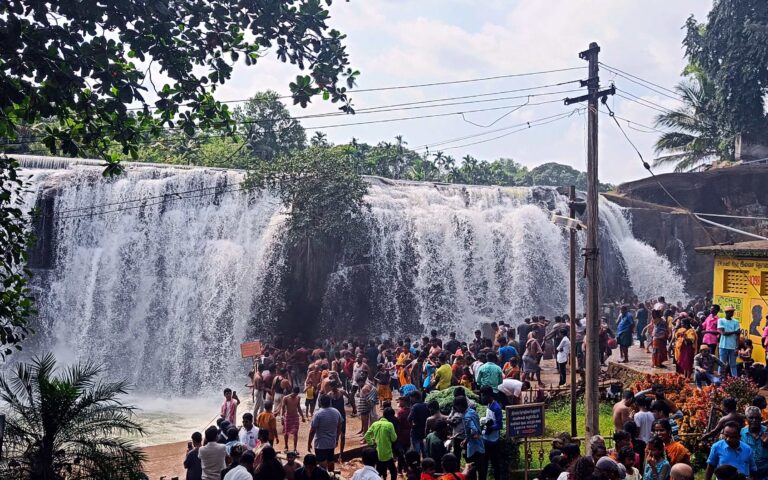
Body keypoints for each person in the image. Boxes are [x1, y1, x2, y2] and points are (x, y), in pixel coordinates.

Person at [307, 395, 342, 472]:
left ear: (320, 402)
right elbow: (339, 427)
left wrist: (309, 443)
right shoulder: (336, 412)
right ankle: (331, 475)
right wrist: (336, 439)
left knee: (321, 465)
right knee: (330, 461)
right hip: (331, 442)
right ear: (329, 402)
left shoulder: (318, 414)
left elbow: (312, 431)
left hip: (320, 444)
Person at [364, 407, 398, 480]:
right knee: (393, 471)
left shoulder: (375, 424)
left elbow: (366, 435)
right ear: (390, 416)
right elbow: (394, 438)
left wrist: (371, 443)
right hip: (387, 454)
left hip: (377, 453)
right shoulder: (389, 425)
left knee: (378, 473)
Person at [480, 386, 504, 480]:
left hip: (493, 441)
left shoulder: (496, 408)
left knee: (495, 464)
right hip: (486, 439)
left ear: (488, 395)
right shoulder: (489, 405)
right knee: (484, 463)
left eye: (483, 395)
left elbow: (500, 425)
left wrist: (491, 428)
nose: (482, 397)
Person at [741, 406, 768, 479]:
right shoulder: (741, 433)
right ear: (746, 419)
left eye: (757, 418)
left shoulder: (767, 432)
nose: (754, 420)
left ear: (761, 419)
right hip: (747, 475)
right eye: (751, 418)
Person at [718, 306, 741, 378]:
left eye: (732, 311)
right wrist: (734, 332)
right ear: (726, 312)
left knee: (733, 364)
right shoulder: (721, 320)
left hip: (733, 346)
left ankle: (735, 379)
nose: (732, 313)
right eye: (730, 312)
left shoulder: (736, 322)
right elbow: (723, 333)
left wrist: (737, 347)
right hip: (723, 346)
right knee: (722, 363)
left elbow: (738, 335)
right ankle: (720, 378)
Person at [282, 386, 306, 452]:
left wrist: (302, 416)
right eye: (295, 393)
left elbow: (299, 407)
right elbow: (283, 408)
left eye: (296, 394)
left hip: (295, 416)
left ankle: (295, 448)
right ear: (292, 392)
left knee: (295, 432)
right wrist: (282, 417)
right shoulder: (286, 398)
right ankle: (286, 446)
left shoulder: (298, 398)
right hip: (288, 416)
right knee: (286, 432)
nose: (295, 395)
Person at [409, 390, 430, 456]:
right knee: (424, 449)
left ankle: (417, 464)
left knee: (417, 450)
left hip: (416, 431)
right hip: (425, 430)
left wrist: (412, 424)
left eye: (411, 398)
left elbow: (409, 418)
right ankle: (426, 463)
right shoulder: (426, 405)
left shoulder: (415, 406)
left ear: (414, 397)